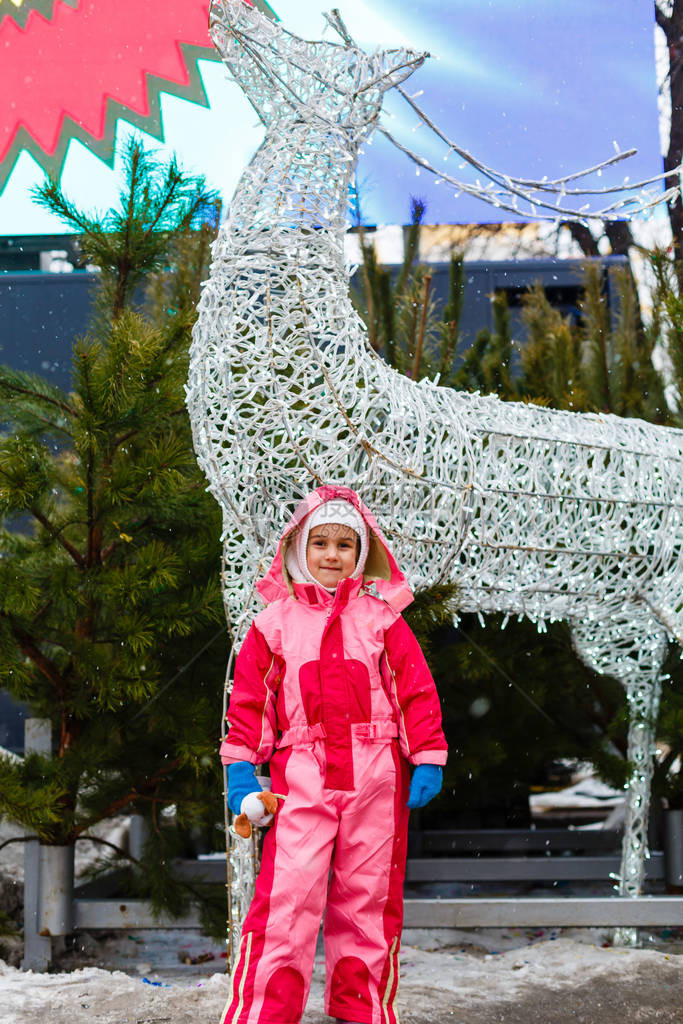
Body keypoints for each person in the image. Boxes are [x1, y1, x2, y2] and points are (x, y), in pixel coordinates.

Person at [220, 484, 447, 1024]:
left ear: (361, 554)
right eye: (319, 543)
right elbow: (251, 702)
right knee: (288, 895)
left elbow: (414, 689)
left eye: (345, 545)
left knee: (367, 896)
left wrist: (429, 754)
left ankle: (361, 1007)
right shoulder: (273, 624)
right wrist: (240, 768)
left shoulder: (382, 620)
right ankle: (265, 1012)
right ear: (299, 548)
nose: (331, 555)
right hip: (300, 775)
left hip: (377, 775)